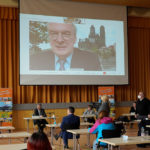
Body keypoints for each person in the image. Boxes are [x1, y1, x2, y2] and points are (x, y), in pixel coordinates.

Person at [30, 22, 101, 71]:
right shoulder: (34, 60)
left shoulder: (91, 60)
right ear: (48, 38)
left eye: (66, 34)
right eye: (54, 34)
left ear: (75, 39)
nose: (60, 40)